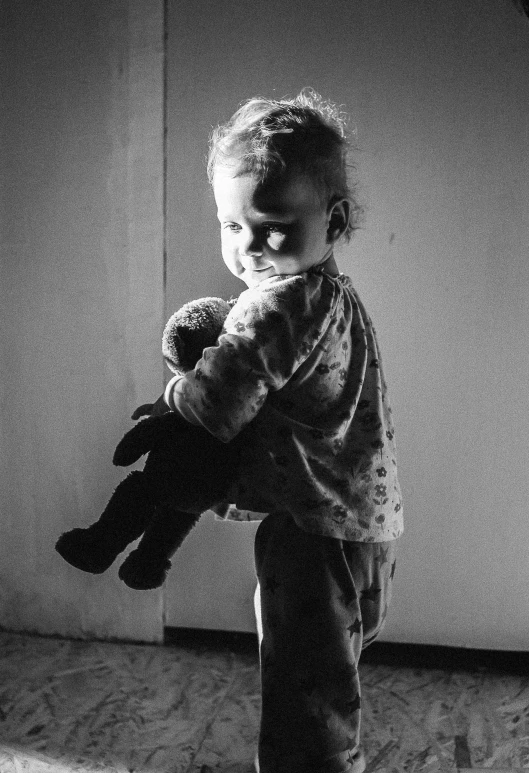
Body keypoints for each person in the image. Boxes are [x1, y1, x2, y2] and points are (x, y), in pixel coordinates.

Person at [163, 90, 403, 773]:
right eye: (229, 225)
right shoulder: (329, 290)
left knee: (306, 708)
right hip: (364, 524)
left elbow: (216, 405)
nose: (248, 248)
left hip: (312, 531)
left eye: (270, 225)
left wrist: (172, 393)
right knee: (327, 678)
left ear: (333, 219)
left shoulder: (278, 307)